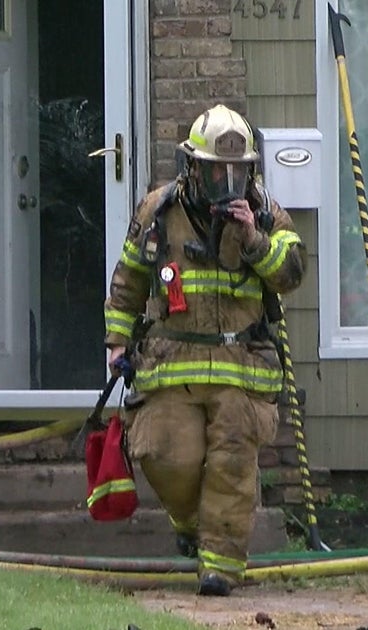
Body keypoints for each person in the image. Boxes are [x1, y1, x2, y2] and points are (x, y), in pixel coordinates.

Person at [103, 104, 306, 596]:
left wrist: (254, 240)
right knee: (163, 453)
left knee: (232, 465)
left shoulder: (264, 213)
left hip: (243, 371)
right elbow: (129, 280)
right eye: (218, 169)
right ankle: (193, 528)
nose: (227, 180)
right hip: (173, 364)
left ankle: (219, 568)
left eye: (238, 171)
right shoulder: (158, 212)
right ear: (192, 166)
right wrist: (117, 341)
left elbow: (293, 273)